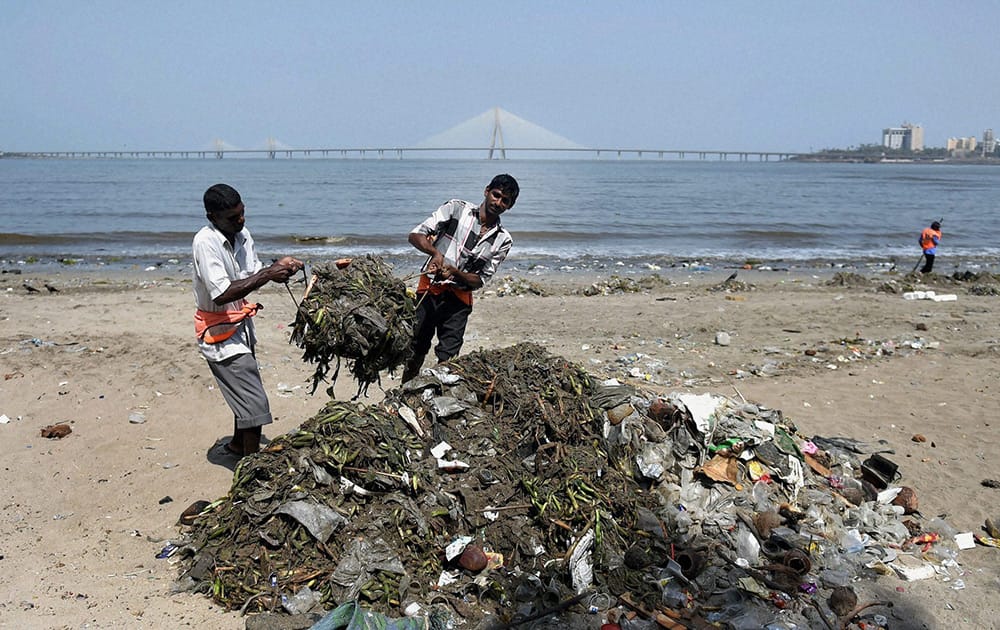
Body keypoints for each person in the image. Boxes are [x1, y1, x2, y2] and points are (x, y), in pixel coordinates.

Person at [192, 183, 304, 457]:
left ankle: (236, 444)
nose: (241, 220)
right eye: (233, 218)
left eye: (242, 213)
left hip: (241, 326)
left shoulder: (242, 235)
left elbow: (251, 273)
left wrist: (279, 268)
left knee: (245, 394)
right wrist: (267, 274)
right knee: (255, 405)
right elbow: (222, 293)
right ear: (212, 217)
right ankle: (251, 465)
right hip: (218, 332)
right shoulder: (205, 243)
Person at [401, 174, 519, 383]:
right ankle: (405, 390)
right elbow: (416, 235)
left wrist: (455, 272)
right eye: (496, 195)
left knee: (448, 359)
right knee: (416, 348)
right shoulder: (456, 209)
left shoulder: (503, 240)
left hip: (458, 301)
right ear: (486, 191)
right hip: (428, 291)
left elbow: (480, 280)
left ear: (510, 206)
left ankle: (434, 397)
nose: (498, 202)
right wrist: (435, 254)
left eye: (505, 201)